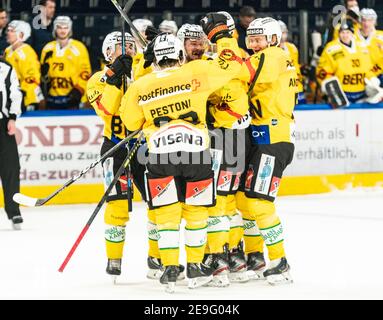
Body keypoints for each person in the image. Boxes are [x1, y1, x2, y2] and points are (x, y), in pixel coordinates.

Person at [119, 13, 244, 292]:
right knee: (196, 211)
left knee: (165, 214)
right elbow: (232, 65)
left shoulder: (141, 84)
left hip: (160, 155)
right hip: (196, 152)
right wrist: (223, 36)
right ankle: (196, 267)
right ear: (179, 53)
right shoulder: (197, 72)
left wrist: (142, 67)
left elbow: (130, 123)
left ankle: (170, 267)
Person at [235, 17, 297, 285]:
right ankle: (255, 256)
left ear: (273, 39)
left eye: (259, 39)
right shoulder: (268, 57)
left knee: (259, 202)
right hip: (263, 139)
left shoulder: (274, 55)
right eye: (250, 39)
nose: (253, 44)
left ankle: (280, 261)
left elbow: (239, 74)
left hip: (274, 139)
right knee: (247, 201)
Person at [87, 31, 139, 279]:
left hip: (144, 148)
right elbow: (107, 110)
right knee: (117, 207)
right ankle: (114, 258)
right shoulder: (98, 79)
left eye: (131, 46)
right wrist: (114, 78)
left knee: (159, 206)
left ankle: (157, 258)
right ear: (108, 52)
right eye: (121, 47)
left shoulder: (142, 75)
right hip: (115, 147)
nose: (127, 50)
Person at [317, 19, 380, 106]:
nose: (345, 35)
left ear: (352, 33)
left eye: (348, 32)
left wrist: (372, 79)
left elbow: (368, 68)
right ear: (339, 34)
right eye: (342, 32)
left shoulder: (362, 46)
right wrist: (330, 86)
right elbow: (322, 72)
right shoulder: (331, 48)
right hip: (342, 94)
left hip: (362, 93)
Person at [40, 16, 91, 109]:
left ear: (70, 29)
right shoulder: (48, 48)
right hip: (52, 97)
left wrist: (78, 90)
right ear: (55, 29)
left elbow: (86, 73)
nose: (62, 31)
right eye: (59, 27)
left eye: (66, 27)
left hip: (73, 97)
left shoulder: (79, 47)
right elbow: (43, 74)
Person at [0, 59, 23, 230]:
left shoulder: (5, 68)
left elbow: (15, 93)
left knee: (11, 168)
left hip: (2, 124)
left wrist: (13, 117)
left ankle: (14, 210)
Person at [4, 20, 44, 111]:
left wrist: (22, 98)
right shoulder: (8, 50)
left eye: (12, 31)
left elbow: (32, 79)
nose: (8, 33)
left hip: (26, 99)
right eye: (8, 30)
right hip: (11, 97)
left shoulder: (27, 53)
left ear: (21, 35)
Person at [278, 20, 305, 104]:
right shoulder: (271, 51)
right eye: (280, 33)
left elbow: (294, 67)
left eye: (284, 33)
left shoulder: (292, 48)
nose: (282, 36)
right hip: (281, 90)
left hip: (297, 87)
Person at [356, 9, 383, 85]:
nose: (366, 24)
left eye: (370, 20)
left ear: (375, 21)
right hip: (358, 75)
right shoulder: (351, 36)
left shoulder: (381, 36)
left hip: (379, 74)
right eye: (364, 20)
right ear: (360, 21)